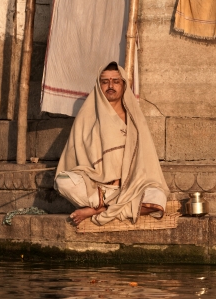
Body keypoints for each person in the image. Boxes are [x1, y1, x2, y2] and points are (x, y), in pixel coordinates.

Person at [54, 62, 169, 226]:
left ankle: (97, 210)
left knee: (157, 196)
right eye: (105, 81)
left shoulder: (133, 117)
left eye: (116, 81)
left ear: (123, 85)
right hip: (97, 188)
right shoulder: (87, 116)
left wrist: (126, 182)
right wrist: (96, 178)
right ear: (99, 85)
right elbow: (75, 157)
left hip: (130, 186)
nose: (110, 86)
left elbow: (145, 158)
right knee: (63, 181)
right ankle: (112, 207)